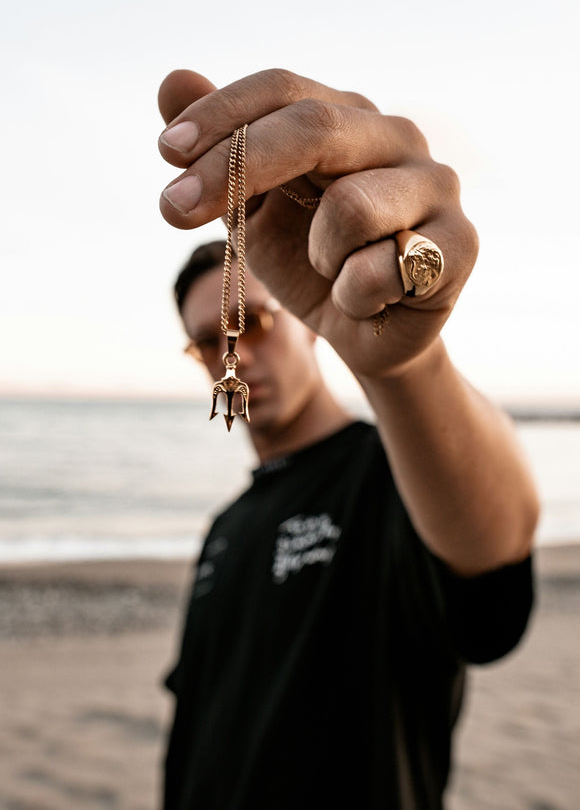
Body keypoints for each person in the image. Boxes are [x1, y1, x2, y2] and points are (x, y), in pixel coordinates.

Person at [156, 69, 540, 809]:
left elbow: (494, 574)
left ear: (303, 322)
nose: (234, 352)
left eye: (253, 322)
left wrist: (405, 370)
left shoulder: (390, 472)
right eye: (208, 341)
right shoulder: (226, 530)